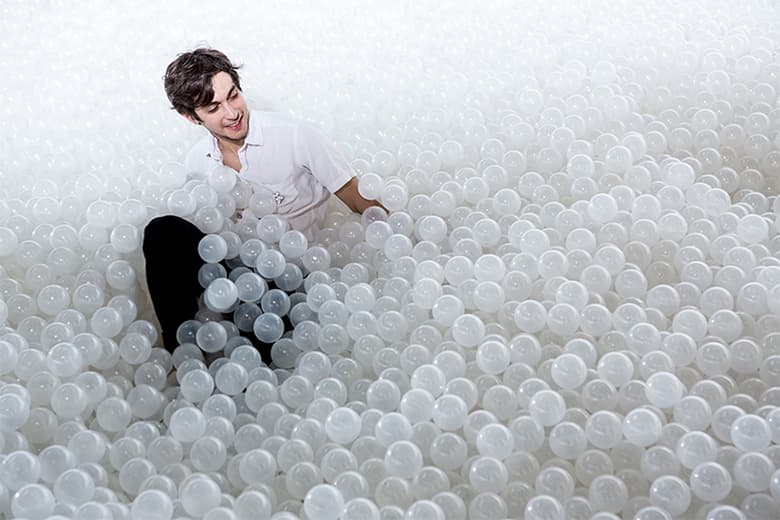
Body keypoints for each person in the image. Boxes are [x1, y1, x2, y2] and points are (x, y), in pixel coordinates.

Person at [143, 48, 383, 355]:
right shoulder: (197, 164)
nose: (232, 113)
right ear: (190, 117)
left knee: (264, 361)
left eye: (233, 96)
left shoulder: (295, 136)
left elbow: (355, 196)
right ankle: (183, 351)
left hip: (291, 286)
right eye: (213, 107)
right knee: (163, 231)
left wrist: (400, 248)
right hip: (235, 280)